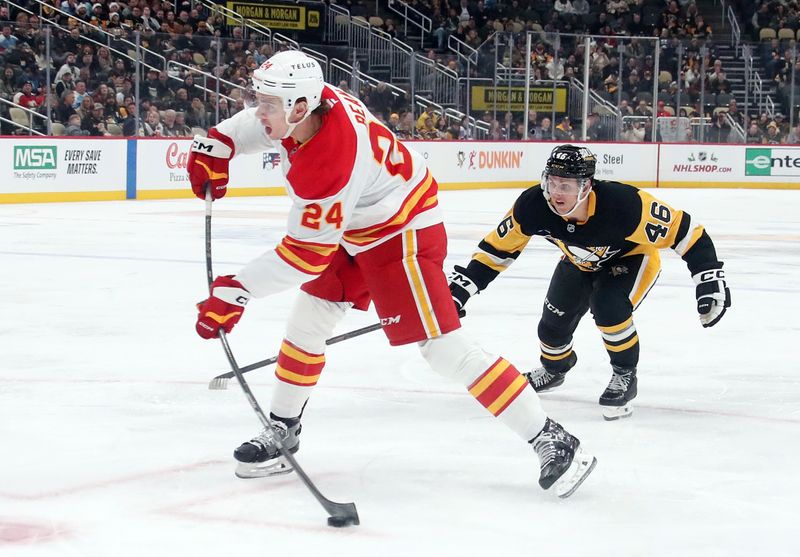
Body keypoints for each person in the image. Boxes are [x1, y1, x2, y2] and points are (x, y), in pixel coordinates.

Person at [186, 51, 596, 497]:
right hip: (355, 226)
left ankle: (551, 437)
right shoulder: (310, 105)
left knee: (443, 349)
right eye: (259, 100)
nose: (258, 110)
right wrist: (220, 141)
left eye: (267, 103)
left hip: (402, 233)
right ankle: (284, 427)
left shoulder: (329, 159)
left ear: (300, 107)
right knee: (308, 319)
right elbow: (263, 124)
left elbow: (305, 255)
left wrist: (238, 290)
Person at [449, 145, 731, 420]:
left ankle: (624, 374)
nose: (556, 193)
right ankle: (555, 368)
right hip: (578, 261)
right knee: (551, 325)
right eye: (552, 182)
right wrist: (462, 288)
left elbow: (688, 234)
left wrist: (708, 279)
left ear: (586, 187)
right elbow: (498, 249)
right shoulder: (533, 205)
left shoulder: (625, 205)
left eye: (566, 186)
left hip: (631, 259)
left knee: (609, 308)